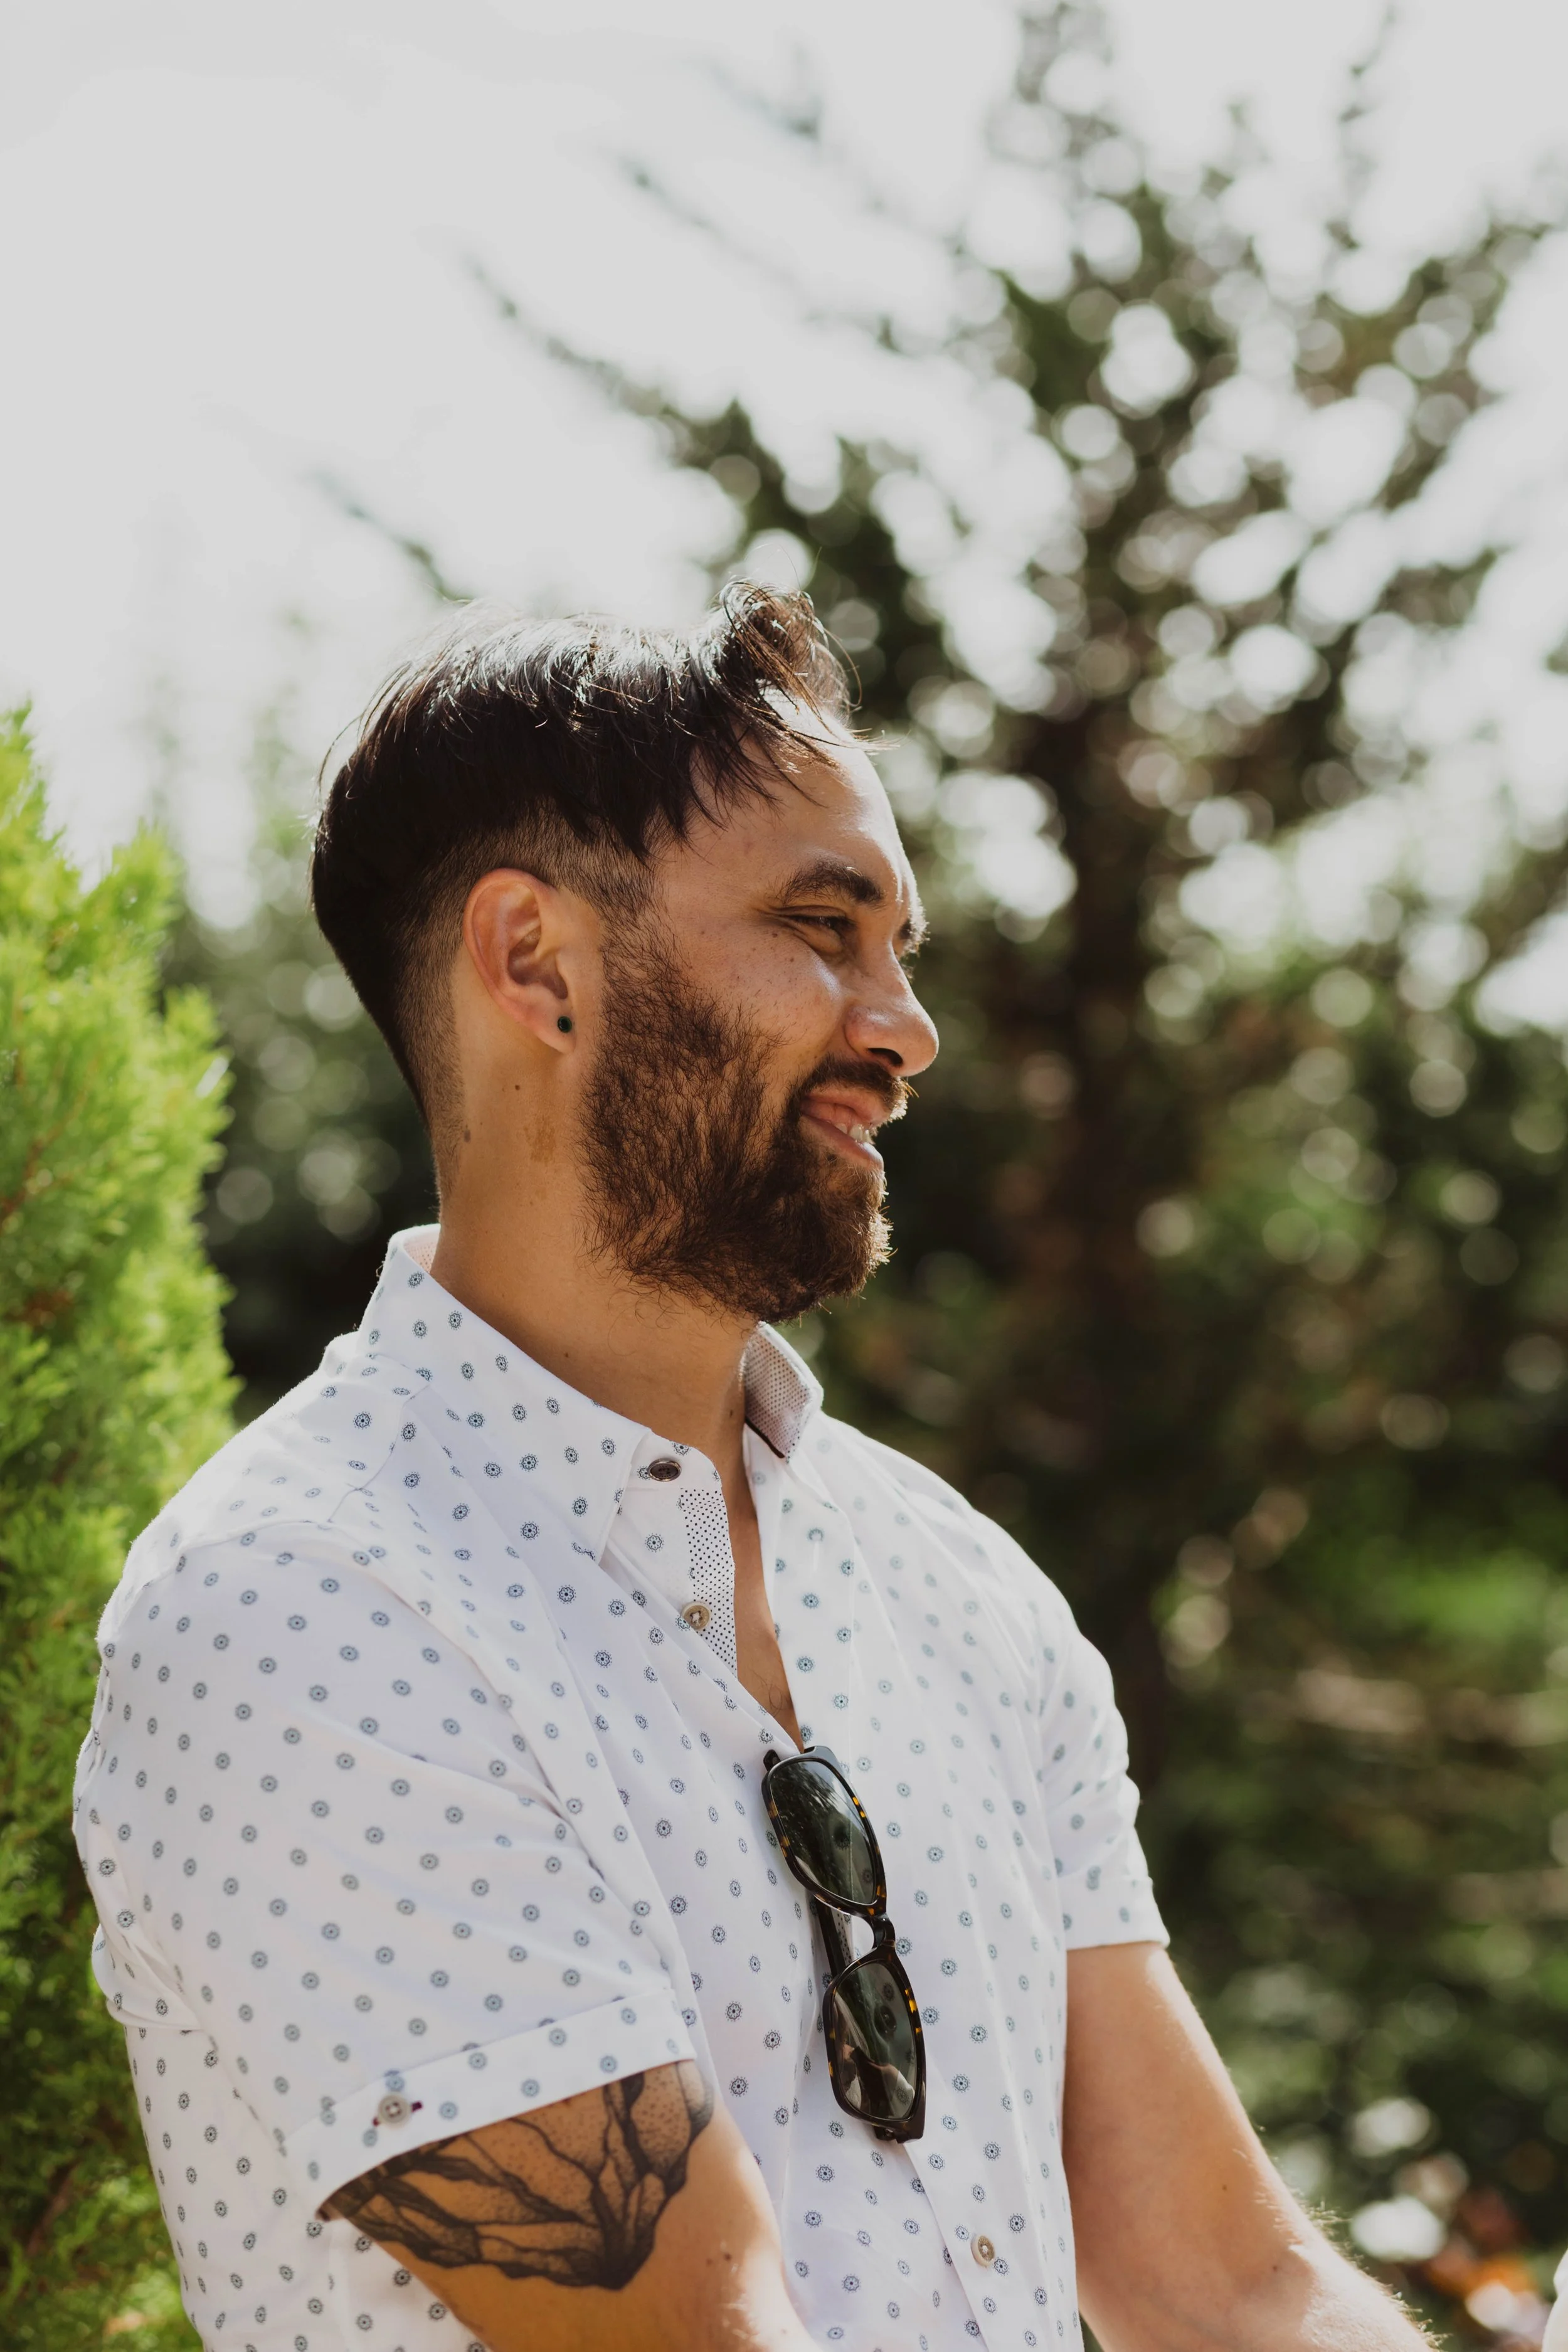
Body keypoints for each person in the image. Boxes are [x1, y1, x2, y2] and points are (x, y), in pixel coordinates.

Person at [76, 585, 1431, 2352]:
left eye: (904, 951)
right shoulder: (301, 1614)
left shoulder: (951, 1583)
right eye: (821, 928)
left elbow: (1222, 2278)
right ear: (536, 965)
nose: (904, 1024)